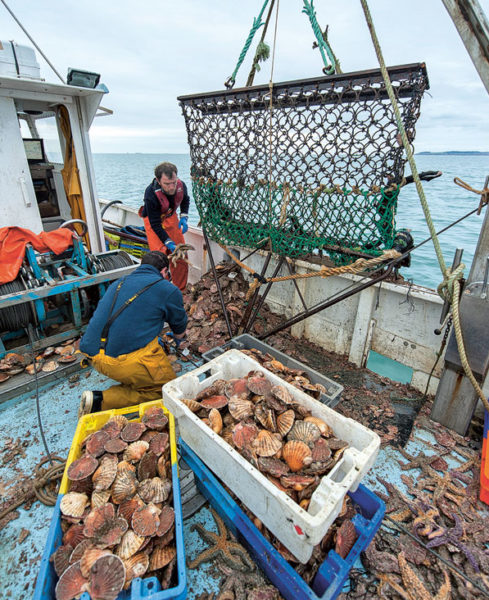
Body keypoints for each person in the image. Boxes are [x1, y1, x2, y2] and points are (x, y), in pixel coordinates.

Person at [78, 251, 187, 417]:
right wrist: (181, 341)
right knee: (165, 390)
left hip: (92, 354)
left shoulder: (119, 282)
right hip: (120, 363)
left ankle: (133, 376)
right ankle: (100, 400)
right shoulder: (168, 289)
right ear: (165, 271)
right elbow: (179, 326)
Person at [139, 162, 190, 291]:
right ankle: (163, 290)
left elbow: (185, 200)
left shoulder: (181, 185)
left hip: (171, 217)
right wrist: (167, 242)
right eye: (167, 184)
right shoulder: (150, 194)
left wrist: (184, 216)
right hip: (153, 221)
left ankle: (180, 290)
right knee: (159, 258)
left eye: (174, 182)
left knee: (181, 254)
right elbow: (155, 224)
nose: (172, 187)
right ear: (158, 181)